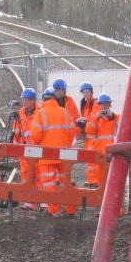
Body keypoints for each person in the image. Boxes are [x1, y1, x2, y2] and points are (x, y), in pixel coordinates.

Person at [30, 88, 76, 216]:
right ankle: (70, 209)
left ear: (44, 99)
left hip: (47, 155)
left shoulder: (41, 113)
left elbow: (35, 135)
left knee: (49, 184)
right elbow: (73, 132)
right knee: (65, 183)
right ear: (55, 99)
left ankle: (54, 210)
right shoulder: (65, 112)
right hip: (64, 155)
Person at [12, 88, 40, 210]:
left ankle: (41, 201)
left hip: (37, 150)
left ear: (33, 101)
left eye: (27, 100)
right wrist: (15, 150)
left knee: (38, 176)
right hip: (23, 151)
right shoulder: (20, 114)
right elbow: (16, 132)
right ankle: (29, 202)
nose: (24, 102)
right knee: (25, 176)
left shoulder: (40, 113)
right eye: (23, 100)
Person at [83, 93, 118, 189]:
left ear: (110, 105)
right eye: (102, 104)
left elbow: (122, 127)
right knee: (99, 177)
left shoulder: (115, 117)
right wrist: (96, 118)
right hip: (99, 151)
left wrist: (113, 116)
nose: (104, 107)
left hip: (111, 152)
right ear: (98, 105)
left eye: (106, 104)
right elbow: (88, 130)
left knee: (109, 177)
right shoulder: (94, 117)